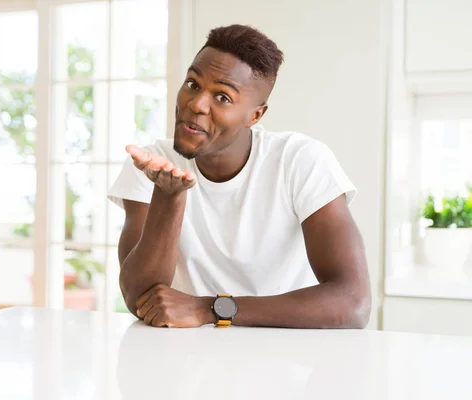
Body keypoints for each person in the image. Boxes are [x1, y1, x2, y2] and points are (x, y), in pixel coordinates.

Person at [107, 24, 371, 329]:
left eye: (222, 97)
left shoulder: (300, 161)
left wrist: (211, 309)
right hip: (184, 357)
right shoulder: (153, 164)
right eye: (193, 84)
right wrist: (170, 196)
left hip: (286, 357)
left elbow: (354, 303)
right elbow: (139, 298)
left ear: (255, 115)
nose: (196, 104)